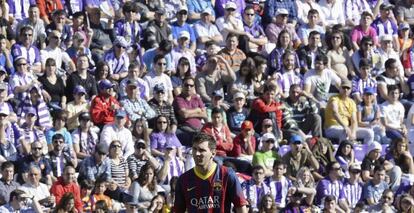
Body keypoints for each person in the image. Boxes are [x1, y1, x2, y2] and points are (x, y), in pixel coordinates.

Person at [174, 133, 248, 212]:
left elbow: (240, 206)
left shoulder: (227, 174)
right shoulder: (184, 179)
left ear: (213, 153)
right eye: (194, 149)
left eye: (201, 150)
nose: (196, 154)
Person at [324, 80, 375, 144]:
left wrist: (353, 132)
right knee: (345, 132)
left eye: (348, 88)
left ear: (350, 90)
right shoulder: (334, 98)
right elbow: (335, 113)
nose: (346, 90)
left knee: (369, 133)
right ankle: (342, 152)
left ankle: (366, 152)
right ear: (340, 88)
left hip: (347, 128)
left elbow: (354, 120)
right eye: (344, 87)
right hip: (332, 128)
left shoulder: (351, 102)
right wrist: (345, 127)